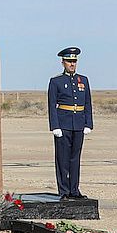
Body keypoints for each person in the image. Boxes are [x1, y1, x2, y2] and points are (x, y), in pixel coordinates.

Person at [48, 46, 93, 200]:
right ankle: (64, 191)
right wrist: (55, 126)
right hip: (63, 124)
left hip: (78, 124)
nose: (72, 64)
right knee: (62, 159)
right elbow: (52, 105)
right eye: (69, 61)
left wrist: (88, 123)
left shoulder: (84, 80)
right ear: (63, 62)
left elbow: (88, 103)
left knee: (75, 158)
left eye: (74, 61)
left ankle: (74, 190)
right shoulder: (56, 82)